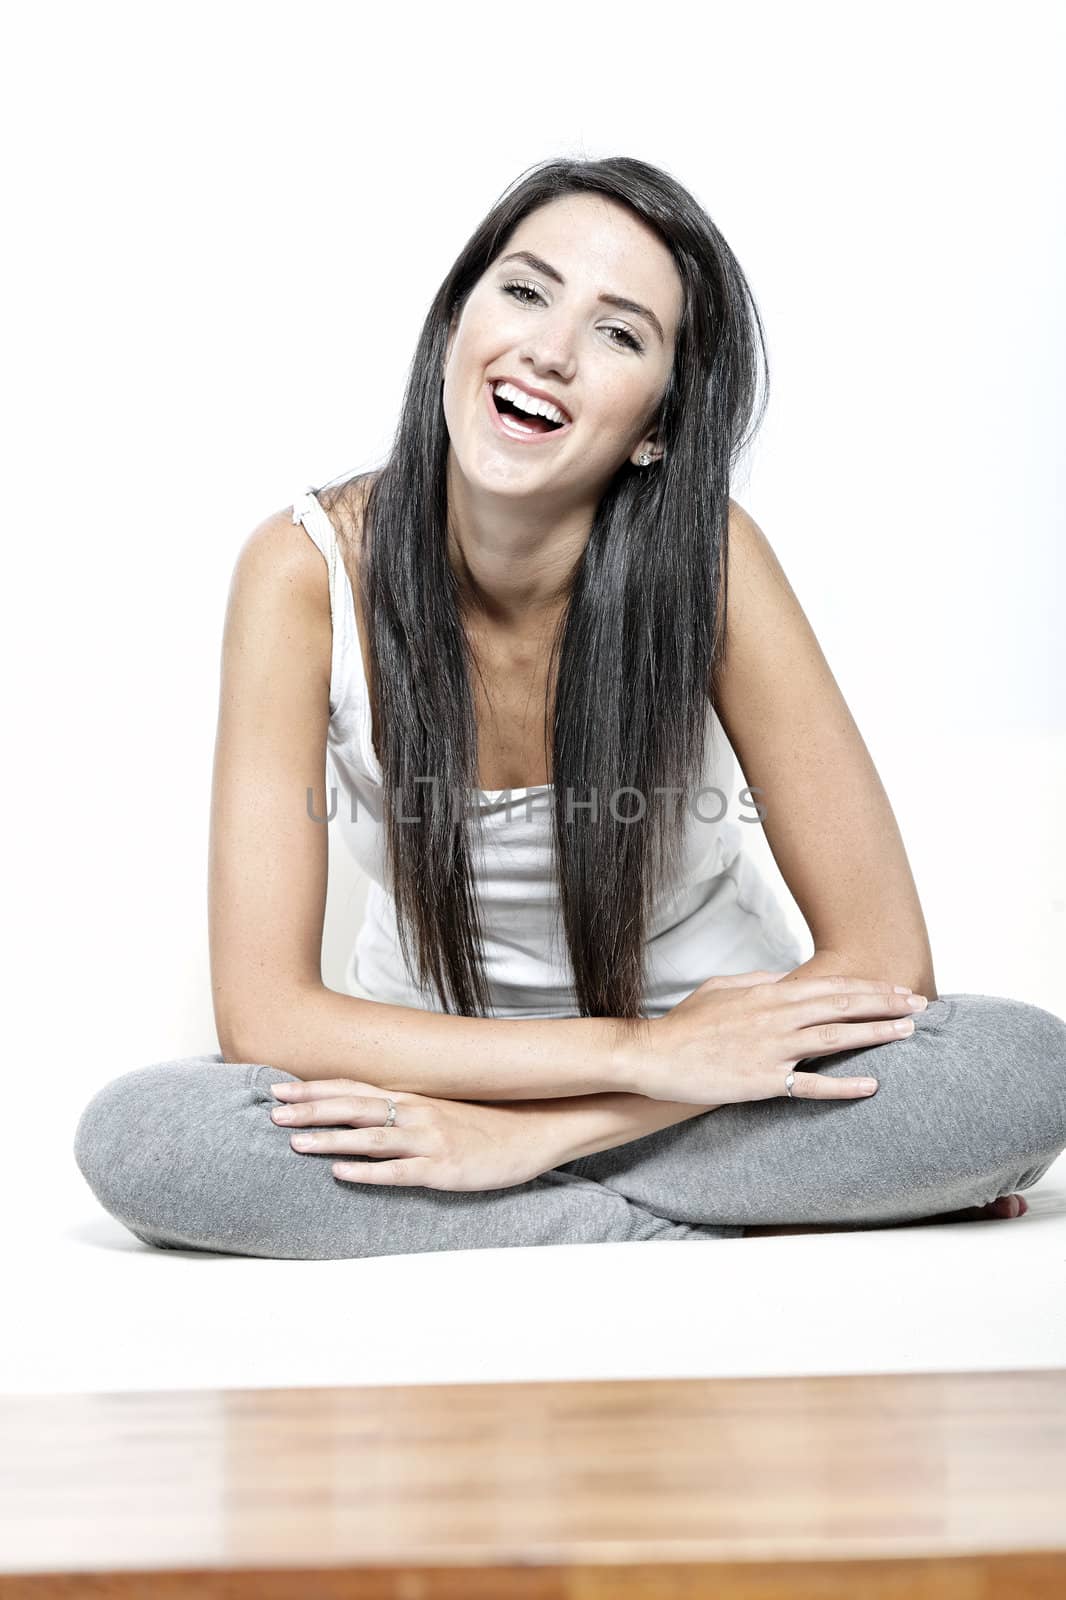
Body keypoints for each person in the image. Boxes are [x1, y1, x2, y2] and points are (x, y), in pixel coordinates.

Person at [73, 156, 1066, 1259]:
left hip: (720, 1092)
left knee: (1018, 1070)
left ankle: (525, 1211)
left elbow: (885, 963)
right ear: (457, 321)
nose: (548, 348)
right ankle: (702, 1222)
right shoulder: (303, 568)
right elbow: (267, 1020)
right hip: (442, 1090)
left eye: (620, 333)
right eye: (526, 290)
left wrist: (553, 1132)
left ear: (655, 427)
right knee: (145, 1141)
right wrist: (639, 1055)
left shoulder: (713, 562)